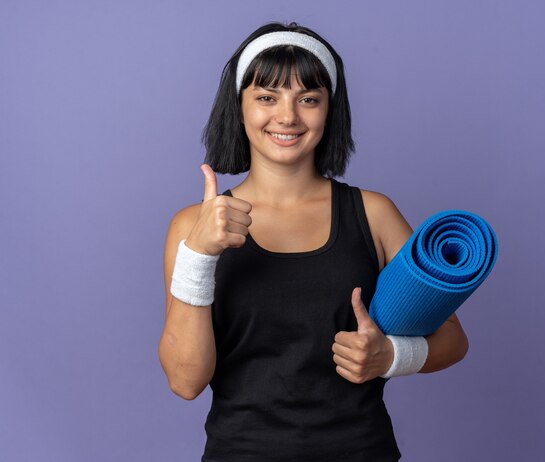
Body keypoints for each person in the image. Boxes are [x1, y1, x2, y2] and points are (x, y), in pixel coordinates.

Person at [158, 22, 469, 461]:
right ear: (239, 107)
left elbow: (454, 339)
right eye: (267, 97)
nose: (287, 116)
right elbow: (186, 381)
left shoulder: (374, 214)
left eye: (308, 99)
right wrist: (200, 254)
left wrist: (391, 356)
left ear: (329, 109)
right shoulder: (192, 226)